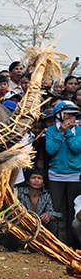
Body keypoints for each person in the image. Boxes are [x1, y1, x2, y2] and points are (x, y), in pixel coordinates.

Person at [45, 100, 81, 246]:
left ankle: (73, 245)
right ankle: (58, 243)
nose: (71, 118)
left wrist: (70, 134)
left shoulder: (79, 131)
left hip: (75, 176)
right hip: (55, 176)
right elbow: (50, 150)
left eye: (73, 115)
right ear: (59, 115)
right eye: (68, 114)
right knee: (57, 211)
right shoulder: (51, 131)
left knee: (73, 211)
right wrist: (61, 133)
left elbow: (77, 148)